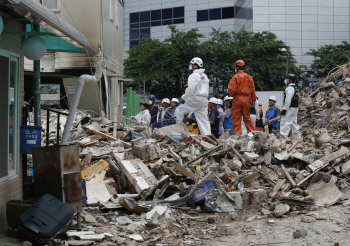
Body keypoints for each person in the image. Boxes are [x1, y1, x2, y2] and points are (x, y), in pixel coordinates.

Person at [174, 57, 211, 136]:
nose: (190, 66)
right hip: (204, 99)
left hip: (196, 98)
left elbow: (190, 88)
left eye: (191, 64)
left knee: (179, 110)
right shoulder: (204, 76)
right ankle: (208, 136)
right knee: (203, 120)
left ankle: (177, 134)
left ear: (195, 66)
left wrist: (184, 97)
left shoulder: (194, 75)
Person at [228, 60, 257, 135]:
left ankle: (237, 134)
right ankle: (251, 132)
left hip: (237, 98)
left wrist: (231, 95)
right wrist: (253, 100)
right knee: (247, 117)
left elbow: (232, 89)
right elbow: (253, 90)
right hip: (247, 98)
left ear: (237, 67)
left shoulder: (235, 77)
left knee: (236, 117)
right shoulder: (249, 77)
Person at [280, 74, 300, 138]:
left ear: (290, 80)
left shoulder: (289, 88)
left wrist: (284, 109)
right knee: (294, 123)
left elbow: (288, 100)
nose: (286, 80)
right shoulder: (295, 88)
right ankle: (296, 137)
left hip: (290, 108)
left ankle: (283, 137)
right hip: (295, 108)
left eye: (287, 79)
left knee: (285, 122)